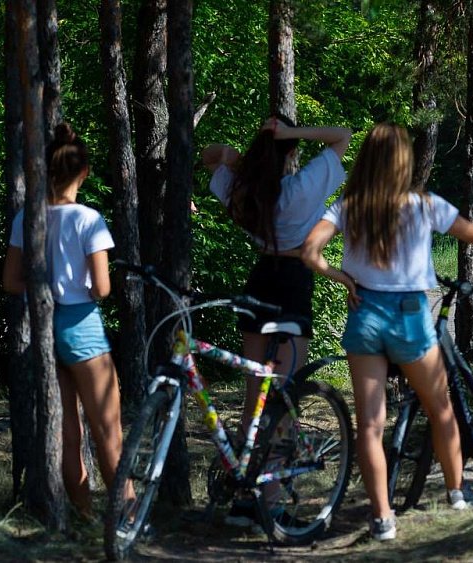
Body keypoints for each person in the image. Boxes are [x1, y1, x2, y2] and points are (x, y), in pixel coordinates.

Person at [300, 123, 473, 541]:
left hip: (365, 314)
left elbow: (310, 252)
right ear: (405, 162)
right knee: (441, 409)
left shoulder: (350, 205)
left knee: (369, 426)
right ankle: (457, 493)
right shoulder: (424, 205)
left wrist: (342, 278)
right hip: (409, 317)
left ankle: (382, 519)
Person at [200, 115, 350, 525]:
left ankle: (245, 500)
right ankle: (270, 502)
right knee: (283, 398)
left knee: (256, 393)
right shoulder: (302, 187)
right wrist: (294, 133)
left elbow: (207, 156)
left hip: (259, 281)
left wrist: (236, 156)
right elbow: (343, 134)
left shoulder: (245, 189)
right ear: (290, 149)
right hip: (291, 284)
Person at [2, 122, 129, 518]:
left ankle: (84, 515)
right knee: (108, 432)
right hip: (83, 327)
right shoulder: (89, 220)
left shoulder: (28, 217)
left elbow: (11, 281)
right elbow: (103, 288)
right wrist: (82, 286)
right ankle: (126, 516)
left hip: (46, 325)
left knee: (66, 432)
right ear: (84, 172)